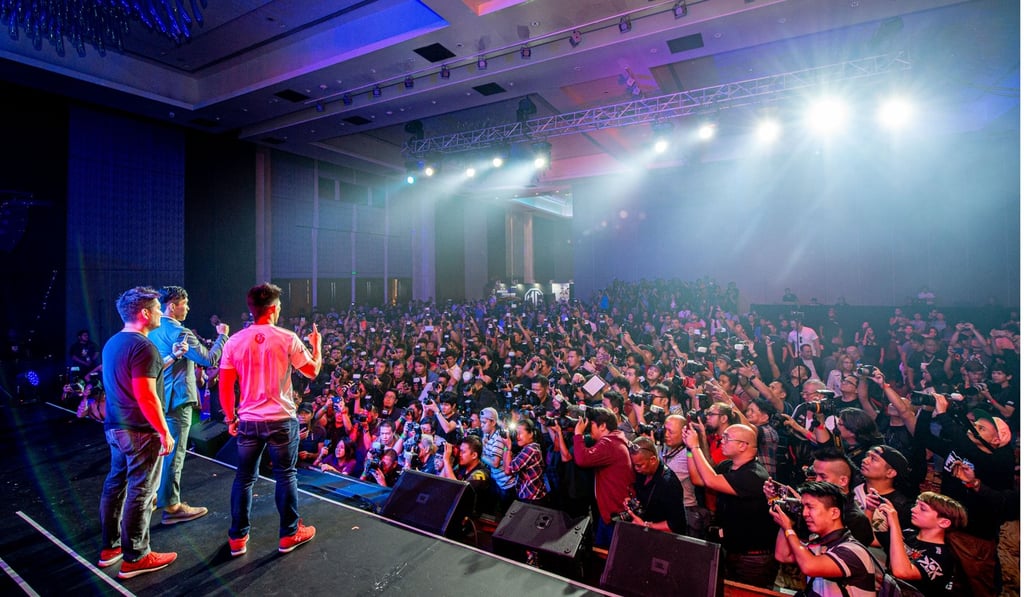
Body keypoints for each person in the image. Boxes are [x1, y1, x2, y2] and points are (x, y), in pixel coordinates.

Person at [219, 282, 323, 557]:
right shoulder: (287, 338)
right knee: (286, 475)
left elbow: (225, 385)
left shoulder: (234, 341)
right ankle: (289, 534)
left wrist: (230, 417)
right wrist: (317, 347)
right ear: (275, 309)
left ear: (251, 309)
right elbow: (312, 372)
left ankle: (237, 539)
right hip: (281, 420)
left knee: (244, 478)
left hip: (249, 421)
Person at [97, 287, 179, 579]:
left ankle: (110, 549)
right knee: (142, 491)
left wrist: (169, 359)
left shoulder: (114, 343)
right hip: (140, 430)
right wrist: (163, 430)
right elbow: (146, 395)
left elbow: (133, 379)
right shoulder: (144, 346)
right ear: (145, 313)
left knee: (115, 485)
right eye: (158, 308)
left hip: (115, 427)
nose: (161, 312)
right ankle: (136, 556)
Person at [149, 285, 229, 525]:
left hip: (159, 397)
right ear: (173, 306)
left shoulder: (152, 329)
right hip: (178, 399)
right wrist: (223, 335)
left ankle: (157, 496)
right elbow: (209, 358)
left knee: (161, 450)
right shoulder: (179, 332)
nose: (188, 307)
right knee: (176, 452)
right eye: (185, 303)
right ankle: (172, 507)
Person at [684, 422, 778, 588]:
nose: (722, 441)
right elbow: (699, 479)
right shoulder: (728, 466)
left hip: (752, 559)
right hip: (732, 551)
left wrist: (696, 447)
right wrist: (691, 450)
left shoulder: (753, 475)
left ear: (742, 445)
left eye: (727, 438)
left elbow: (711, 480)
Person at [770, 481, 876, 597]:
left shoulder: (852, 550)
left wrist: (788, 528)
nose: (804, 513)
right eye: (802, 507)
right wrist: (788, 517)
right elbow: (783, 555)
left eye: (810, 507)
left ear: (834, 513)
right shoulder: (820, 543)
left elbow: (809, 566)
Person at [875, 491, 967, 596]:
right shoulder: (909, 534)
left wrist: (894, 523)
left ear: (944, 522)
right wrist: (869, 509)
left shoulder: (942, 556)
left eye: (923, 509)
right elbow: (869, 539)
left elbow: (902, 572)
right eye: (916, 505)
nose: (913, 509)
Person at [573, 407, 635, 548]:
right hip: (611, 512)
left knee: (609, 556)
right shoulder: (615, 440)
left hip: (615, 513)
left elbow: (582, 459)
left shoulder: (610, 443)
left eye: (592, 425)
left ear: (602, 426)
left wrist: (578, 434)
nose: (589, 429)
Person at [622, 436, 686, 535]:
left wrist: (645, 525)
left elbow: (675, 525)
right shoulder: (642, 473)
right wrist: (632, 502)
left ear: (652, 460)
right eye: (634, 465)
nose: (636, 469)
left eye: (639, 465)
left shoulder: (669, 484)